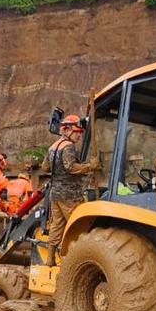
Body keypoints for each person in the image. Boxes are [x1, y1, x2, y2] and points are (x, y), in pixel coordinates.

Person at [40, 114, 99, 266]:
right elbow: (70, 167)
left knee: (56, 225)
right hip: (69, 195)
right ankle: (77, 259)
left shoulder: (52, 147)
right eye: (77, 132)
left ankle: (50, 258)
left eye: (80, 132)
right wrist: (90, 166)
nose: (79, 135)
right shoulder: (69, 146)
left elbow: (45, 167)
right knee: (79, 226)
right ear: (67, 130)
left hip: (55, 194)